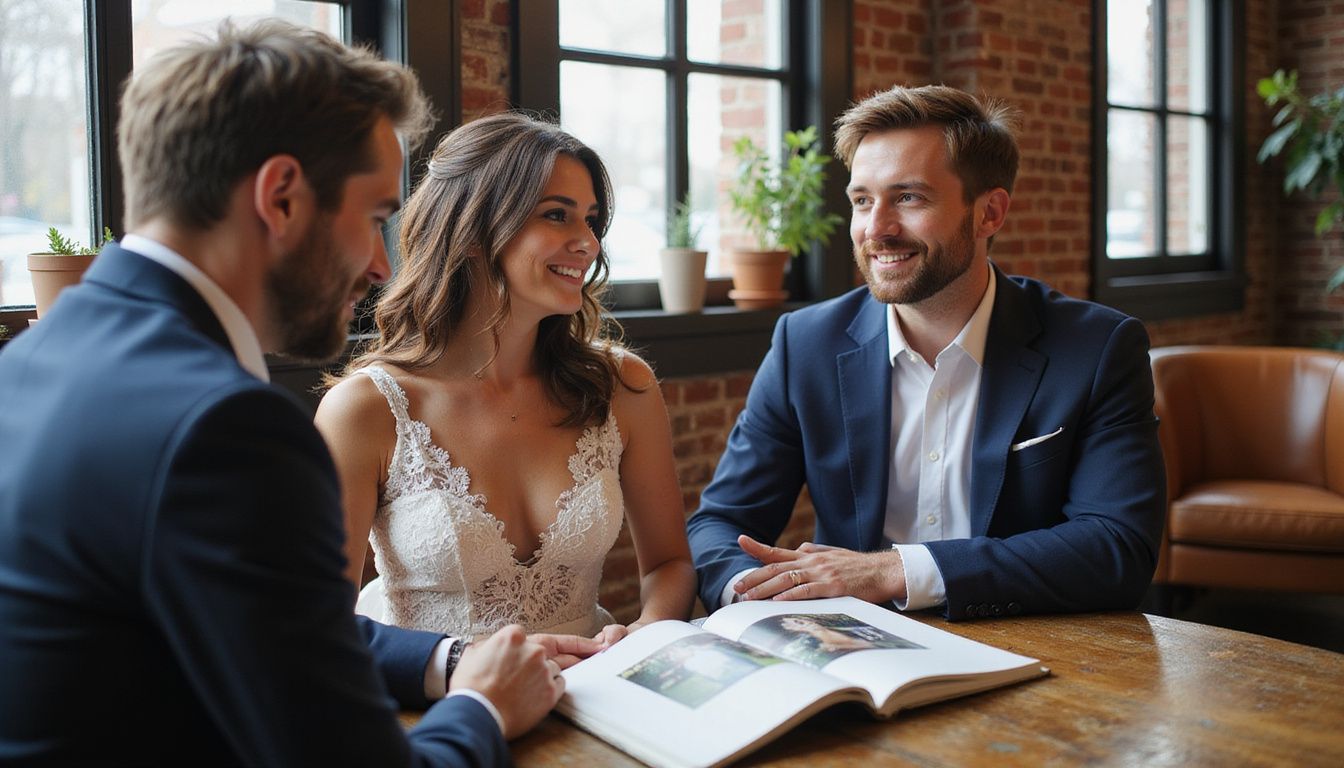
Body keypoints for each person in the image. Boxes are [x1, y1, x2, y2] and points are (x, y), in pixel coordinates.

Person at [0, 20, 593, 765]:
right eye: (376, 217)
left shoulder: (36, 358)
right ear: (281, 196)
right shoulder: (223, 426)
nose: (382, 267)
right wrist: (481, 707)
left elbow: (265, 614)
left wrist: (445, 662)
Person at [687, 84, 1165, 621]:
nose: (876, 229)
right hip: (857, 649)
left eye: (909, 198)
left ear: (989, 214)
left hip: (1029, 642)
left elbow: (1117, 548)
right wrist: (759, 600)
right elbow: (720, 524)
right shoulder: (806, 344)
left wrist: (894, 571)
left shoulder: (1097, 347)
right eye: (862, 200)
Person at [315, 112, 695, 649]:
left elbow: (671, 563)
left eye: (591, 220)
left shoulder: (622, 386)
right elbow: (321, 621)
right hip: (435, 707)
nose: (588, 243)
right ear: (472, 231)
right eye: (557, 215)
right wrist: (454, 672)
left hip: (591, 696)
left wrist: (640, 637)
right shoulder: (366, 409)